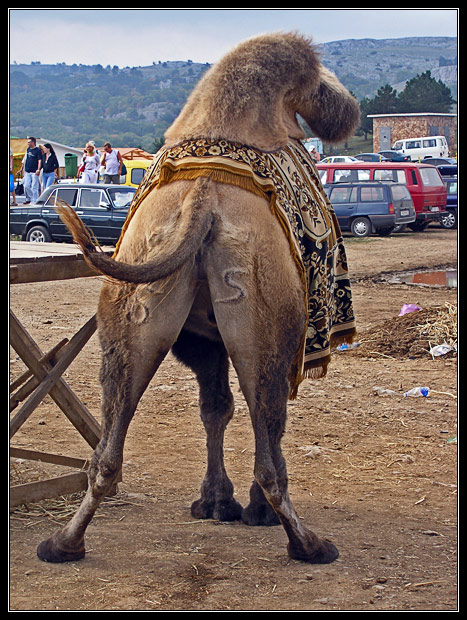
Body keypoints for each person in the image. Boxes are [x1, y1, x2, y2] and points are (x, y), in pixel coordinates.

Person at [22, 137, 42, 203]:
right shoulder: (28, 149)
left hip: (34, 171)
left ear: (33, 142)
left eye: (29, 142)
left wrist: (38, 169)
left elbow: (39, 160)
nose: (28, 143)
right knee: (26, 186)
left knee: (34, 186)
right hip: (28, 171)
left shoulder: (37, 150)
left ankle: (35, 200)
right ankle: (31, 197)